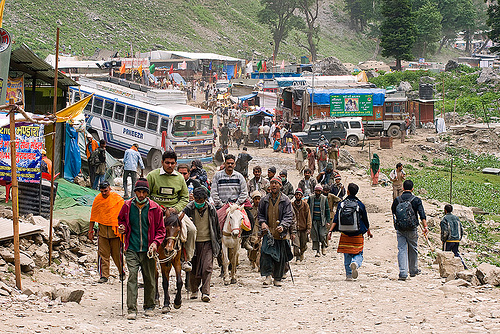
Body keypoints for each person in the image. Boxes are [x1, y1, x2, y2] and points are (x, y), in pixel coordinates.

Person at [118, 178, 166, 319]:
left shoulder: (155, 208)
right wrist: (122, 228)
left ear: (147, 193)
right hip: (132, 247)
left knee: (149, 278)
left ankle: (149, 306)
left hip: (148, 250)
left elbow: (161, 230)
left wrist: (155, 243)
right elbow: (121, 220)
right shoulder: (127, 206)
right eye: (138, 191)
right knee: (132, 277)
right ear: (135, 192)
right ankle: (131, 309)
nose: (141, 195)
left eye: (143, 192)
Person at [146, 151, 193, 272]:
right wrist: (156, 207)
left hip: (174, 213)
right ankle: (145, 259)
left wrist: (175, 209)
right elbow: (146, 195)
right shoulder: (152, 176)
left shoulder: (179, 178)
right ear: (162, 162)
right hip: (156, 212)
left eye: (172, 163)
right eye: (167, 163)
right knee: (144, 230)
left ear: (176, 163)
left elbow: (184, 198)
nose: (170, 165)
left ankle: (186, 258)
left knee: (192, 230)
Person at [180, 187, 221, 302]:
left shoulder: (212, 209)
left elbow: (216, 227)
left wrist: (218, 243)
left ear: (205, 199)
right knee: (193, 267)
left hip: (208, 241)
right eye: (196, 200)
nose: (198, 203)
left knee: (207, 267)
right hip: (192, 243)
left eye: (201, 200)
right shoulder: (188, 209)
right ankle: (194, 290)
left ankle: (205, 292)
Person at [329, 183, 372, 280]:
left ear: (347, 191)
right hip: (357, 233)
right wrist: (368, 231)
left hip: (345, 234)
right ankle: (356, 263)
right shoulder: (360, 205)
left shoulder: (342, 204)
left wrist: (330, 231)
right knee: (359, 252)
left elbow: (336, 219)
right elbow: (365, 220)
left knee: (347, 253)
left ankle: (348, 275)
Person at [258, 177, 294, 287]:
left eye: (276, 183)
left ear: (280, 186)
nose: (274, 185)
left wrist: (283, 226)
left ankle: (277, 278)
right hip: (268, 233)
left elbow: (289, 216)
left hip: (280, 233)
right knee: (265, 254)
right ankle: (268, 276)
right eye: (272, 183)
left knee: (280, 256)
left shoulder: (285, 200)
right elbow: (260, 214)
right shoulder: (264, 200)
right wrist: (263, 223)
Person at [391, 180, 428, 281]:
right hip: (412, 228)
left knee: (402, 249)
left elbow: (393, 211)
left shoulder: (397, 200)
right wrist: (425, 227)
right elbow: (422, 214)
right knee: (413, 248)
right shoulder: (416, 200)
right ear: (412, 189)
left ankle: (403, 272)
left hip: (401, 228)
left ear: (403, 188)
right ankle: (413, 270)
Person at [89, 181, 125, 283]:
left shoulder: (117, 199)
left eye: (105, 191)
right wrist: (90, 230)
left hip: (116, 232)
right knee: (102, 254)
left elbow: (123, 216)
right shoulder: (98, 199)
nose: (104, 193)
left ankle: (121, 272)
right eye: (102, 191)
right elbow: (93, 216)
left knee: (117, 255)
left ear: (109, 188)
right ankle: (104, 276)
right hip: (103, 232)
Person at [440, 204, 466, 269]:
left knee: (446, 255)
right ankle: (463, 266)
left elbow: (445, 231)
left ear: (445, 210)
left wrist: (443, 239)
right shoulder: (456, 218)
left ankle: (447, 269)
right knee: (456, 253)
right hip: (457, 239)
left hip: (449, 240)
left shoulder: (444, 219)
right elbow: (461, 229)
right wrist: (459, 238)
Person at [308, 184, 330, 257]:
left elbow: (327, 210)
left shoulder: (324, 198)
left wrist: (328, 221)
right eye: (316, 191)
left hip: (322, 220)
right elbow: (307, 209)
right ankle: (317, 251)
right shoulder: (311, 198)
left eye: (319, 191)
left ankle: (323, 246)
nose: (317, 192)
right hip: (313, 220)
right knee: (315, 236)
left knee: (322, 235)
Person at [292, 188, 311, 261]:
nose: (298, 196)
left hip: (303, 227)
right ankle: (297, 257)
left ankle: (302, 252)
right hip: (295, 228)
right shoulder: (292, 205)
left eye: (299, 195)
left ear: (302, 196)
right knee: (296, 244)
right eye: (296, 194)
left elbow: (308, 216)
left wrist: (309, 227)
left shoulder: (305, 205)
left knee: (303, 244)